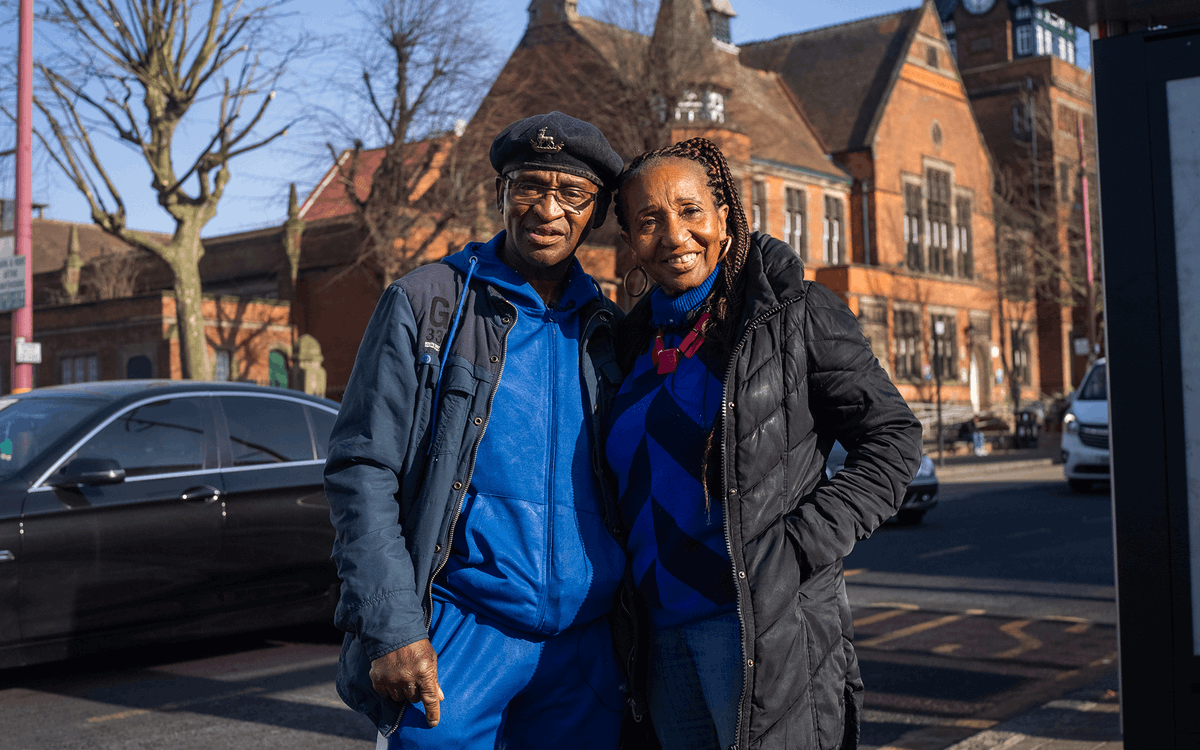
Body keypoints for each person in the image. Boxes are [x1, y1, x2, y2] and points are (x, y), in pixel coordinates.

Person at [605, 138, 923, 750]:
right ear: (631, 239)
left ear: (724, 217)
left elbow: (893, 438)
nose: (674, 234)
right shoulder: (628, 345)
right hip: (659, 640)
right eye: (649, 219)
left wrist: (800, 545)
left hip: (755, 626)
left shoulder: (794, 314)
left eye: (691, 211)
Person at [325, 112, 629, 749]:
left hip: (585, 649)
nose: (547, 208)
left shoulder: (608, 328)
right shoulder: (427, 302)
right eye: (529, 186)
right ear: (501, 195)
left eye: (571, 194)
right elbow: (362, 468)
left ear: (595, 213)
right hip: (459, 634)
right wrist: (393, 627)